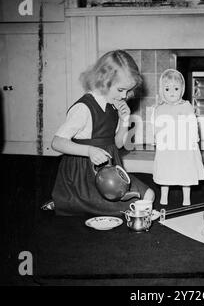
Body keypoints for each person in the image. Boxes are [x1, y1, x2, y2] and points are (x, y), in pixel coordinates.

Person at [44, 50, 155, 215]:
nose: (124, 96)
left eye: (127, 90)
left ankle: (70, 201)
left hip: (110, 169)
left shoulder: (112, 104)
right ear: (104, 81)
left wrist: (124, 120)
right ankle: (66, 199)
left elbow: (117, 144)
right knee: (131, 206)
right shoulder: (83, 108)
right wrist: (89, 150)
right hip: (84, 175)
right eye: (120, 90)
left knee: (148, 195)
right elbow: (57, 143)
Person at [153, 69, 204, 206]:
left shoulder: (186, 106)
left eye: (176, 88)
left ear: (182, 90)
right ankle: (164, 196)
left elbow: (193, 124)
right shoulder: (159, 108)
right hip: (167, 147)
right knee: (165, 171)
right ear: (162, 90)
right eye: (167, 89)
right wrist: (157, 139)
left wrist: (194, 139)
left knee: (185, 171)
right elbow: (157, 126)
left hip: (184, 145)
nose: (172, 92)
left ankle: (186, 198)